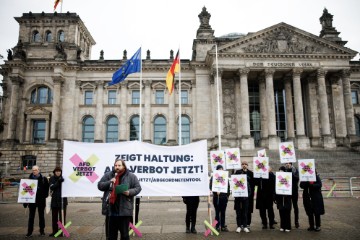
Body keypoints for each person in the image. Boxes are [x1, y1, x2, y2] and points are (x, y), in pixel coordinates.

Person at [98, 159, 142, 240]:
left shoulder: (131, 176)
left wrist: (129, 192)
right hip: (111, 210)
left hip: (124, 211)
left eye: (119, 165)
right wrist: (109, 182)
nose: (117, 167)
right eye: (115, 165)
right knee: (111, 236)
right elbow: (100, 185)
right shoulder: (108, 175)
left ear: (124, 166)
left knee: (125, 235)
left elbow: (138, 188)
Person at [23, 165, 49, 238]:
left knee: (41, 216)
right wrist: (25, 201)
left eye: (36, 170)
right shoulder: (29, 179)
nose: (34, 171)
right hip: (32, 201)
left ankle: (42, 231)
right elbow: (26, 192)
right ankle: (29, 232)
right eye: (33, 170)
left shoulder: (44, 179)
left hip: (41, 201)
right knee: (31, 217)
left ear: (38, 170)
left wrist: (41, 194)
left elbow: (47, 190)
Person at [234, 160, 255, 229]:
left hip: (248, 195)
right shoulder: (238, 172)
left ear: (247, 165)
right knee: (240, 210)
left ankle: (247, 223)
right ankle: (241, 224)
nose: (244, 165)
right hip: (239, 195)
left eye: (245, 164)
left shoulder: (251, 173)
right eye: (243, 164)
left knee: (248, 210)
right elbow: (234, 182)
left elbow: (253, 184)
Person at [48, 166, 68, 237]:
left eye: (59, 171)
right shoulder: (52, 178)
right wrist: (58, 182)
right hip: (54, 201)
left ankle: (62, 231)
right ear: (54, 172)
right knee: (54, 217)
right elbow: (52, 187)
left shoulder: (64, 178)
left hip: (63, 200)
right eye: (56, 171)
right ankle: (54, 231)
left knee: (62, 217)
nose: (58, 172)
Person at [209, 165, 230, 232]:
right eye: (219, 169)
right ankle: (217, 226)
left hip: (224, 197)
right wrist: (215, 192)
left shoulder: (225, 177)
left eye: (221, 169)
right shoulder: (213, 177)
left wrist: (227, 195)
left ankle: (223, 226)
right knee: (217, 213)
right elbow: (211, 186)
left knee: (223, 212)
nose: (220, 170)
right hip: (216, 197)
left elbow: (228, 187)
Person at [275, 166, 292, 232]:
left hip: (287, 198)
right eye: (280, 170)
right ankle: (282, 226)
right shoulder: (278, 179)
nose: (280, 172)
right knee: (281, 213)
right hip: (280, 198)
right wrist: (275, 197)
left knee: (287, 213)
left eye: (282, 170)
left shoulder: (288, 178)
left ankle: (288, 226)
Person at [285, 162, 300, 228]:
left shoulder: (295, 170)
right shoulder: (284, 170)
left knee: (295, 206)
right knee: (288, 207)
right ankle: (288, 222)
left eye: (289, 163)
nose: (287, 164)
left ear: (291, 164)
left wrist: (290, 172)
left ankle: (296, 221)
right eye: (286, 163)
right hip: (287, 191)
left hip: (294, 191)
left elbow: (297, 179)